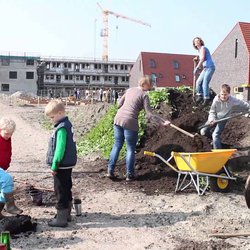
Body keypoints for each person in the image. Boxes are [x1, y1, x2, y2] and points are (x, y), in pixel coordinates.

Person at [107, 75, 170, 181]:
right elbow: (149, 115)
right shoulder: (144, 95)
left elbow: (118, 104)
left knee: (117, 145)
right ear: (145, 84)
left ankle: (110, 170)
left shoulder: (129, 90)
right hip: (130, 121)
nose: (150, 87)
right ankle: (130, 175)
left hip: (118, 119)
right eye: (150, 85)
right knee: (130, 148)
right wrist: (163, 123)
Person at [45, 100, 77, 227]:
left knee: (60, 191)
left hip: (61, 165)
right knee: (66, 187)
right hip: (68, 164)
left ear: (60, 113)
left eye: (52, 117)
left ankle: (61, 219)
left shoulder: (62, 128)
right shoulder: (67, 124)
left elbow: (60, 149)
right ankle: (67, 214)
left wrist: (54, 165)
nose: (51, 120)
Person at [200, 84, 250, 149]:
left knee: (215, 135)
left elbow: (244, 104)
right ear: (220, 93)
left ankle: (218, 152)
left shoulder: (233, 100)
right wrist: (212, 119)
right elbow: (212, 111)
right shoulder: (216, 100)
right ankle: (214, 141)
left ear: (229, 94)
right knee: (203, 132)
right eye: (222, 94)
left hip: (223, 119)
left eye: (225, 95)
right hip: (215, 117)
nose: (223, 96)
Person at [0, 117, 23, 218]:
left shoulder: (7, 138)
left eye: (11, 134)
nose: (8, 136)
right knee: (7, 180)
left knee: (3, 191)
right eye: (6, 133)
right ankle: (10, 206)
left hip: (2, 168)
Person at [193, 37, 215, 106]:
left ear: (200, 42)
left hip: (210, 67)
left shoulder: (203, 48)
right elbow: (201, 58)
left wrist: (197, 67)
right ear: (194, 44)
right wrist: (197, 59)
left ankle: (206, 99)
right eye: (195, 41)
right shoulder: (199, 51)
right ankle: (199, 96)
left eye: (198, 41)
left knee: (205, 83)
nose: (196, 42)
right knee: (198, 81)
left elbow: (202, 58)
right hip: (205, 68)